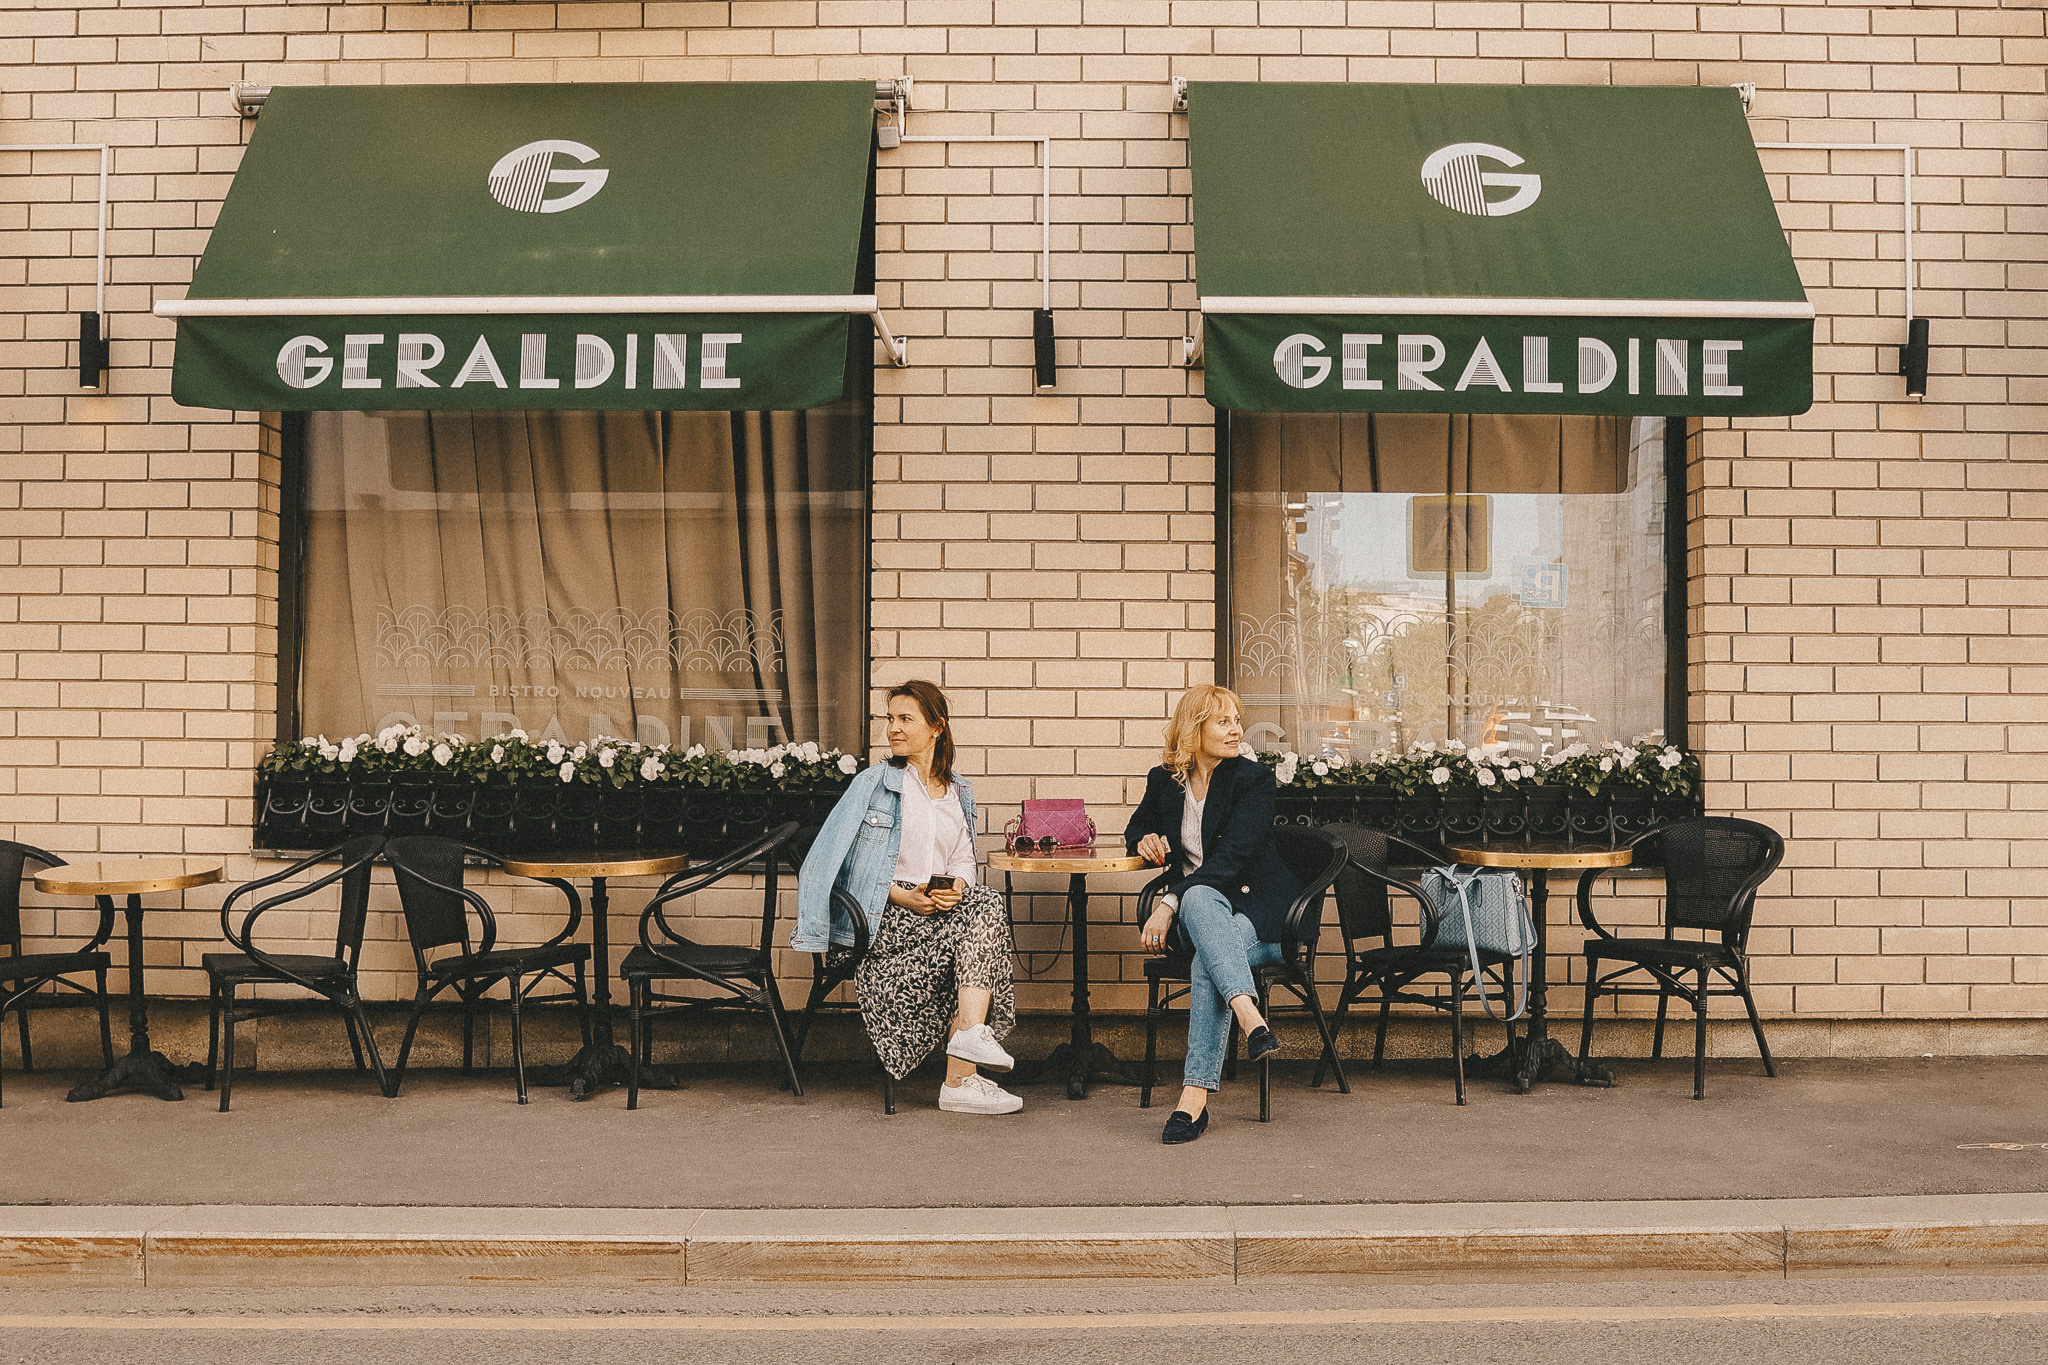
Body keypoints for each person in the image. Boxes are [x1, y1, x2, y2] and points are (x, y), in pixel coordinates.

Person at [793, 680, 1023, 1114]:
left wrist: (956, 889)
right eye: (889, 719)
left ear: (936, 727)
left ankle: (965, 1054)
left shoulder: (960, 792)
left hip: (938, 918)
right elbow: (825, 863)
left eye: (905, 719)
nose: (892, 729)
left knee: (983, 904)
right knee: (985, 923)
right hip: (885, 923)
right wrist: (901, 896)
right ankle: (962, 1074)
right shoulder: (873, 784)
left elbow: (961, 861)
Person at [1125, 684, 1299, 1143]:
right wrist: (1143, 840)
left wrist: (1167, 903)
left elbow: (1230, 862)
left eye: (1237, 720)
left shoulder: (1253, 780)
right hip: (1204, 916)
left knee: (1206, 940)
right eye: (1224, 721)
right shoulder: (1165, 779)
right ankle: (1249, 1014)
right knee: (1202, 906)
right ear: (1193, 726)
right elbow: (1138, 826)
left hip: (1261, 916)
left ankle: (1193, 1099)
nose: (1236, 729)